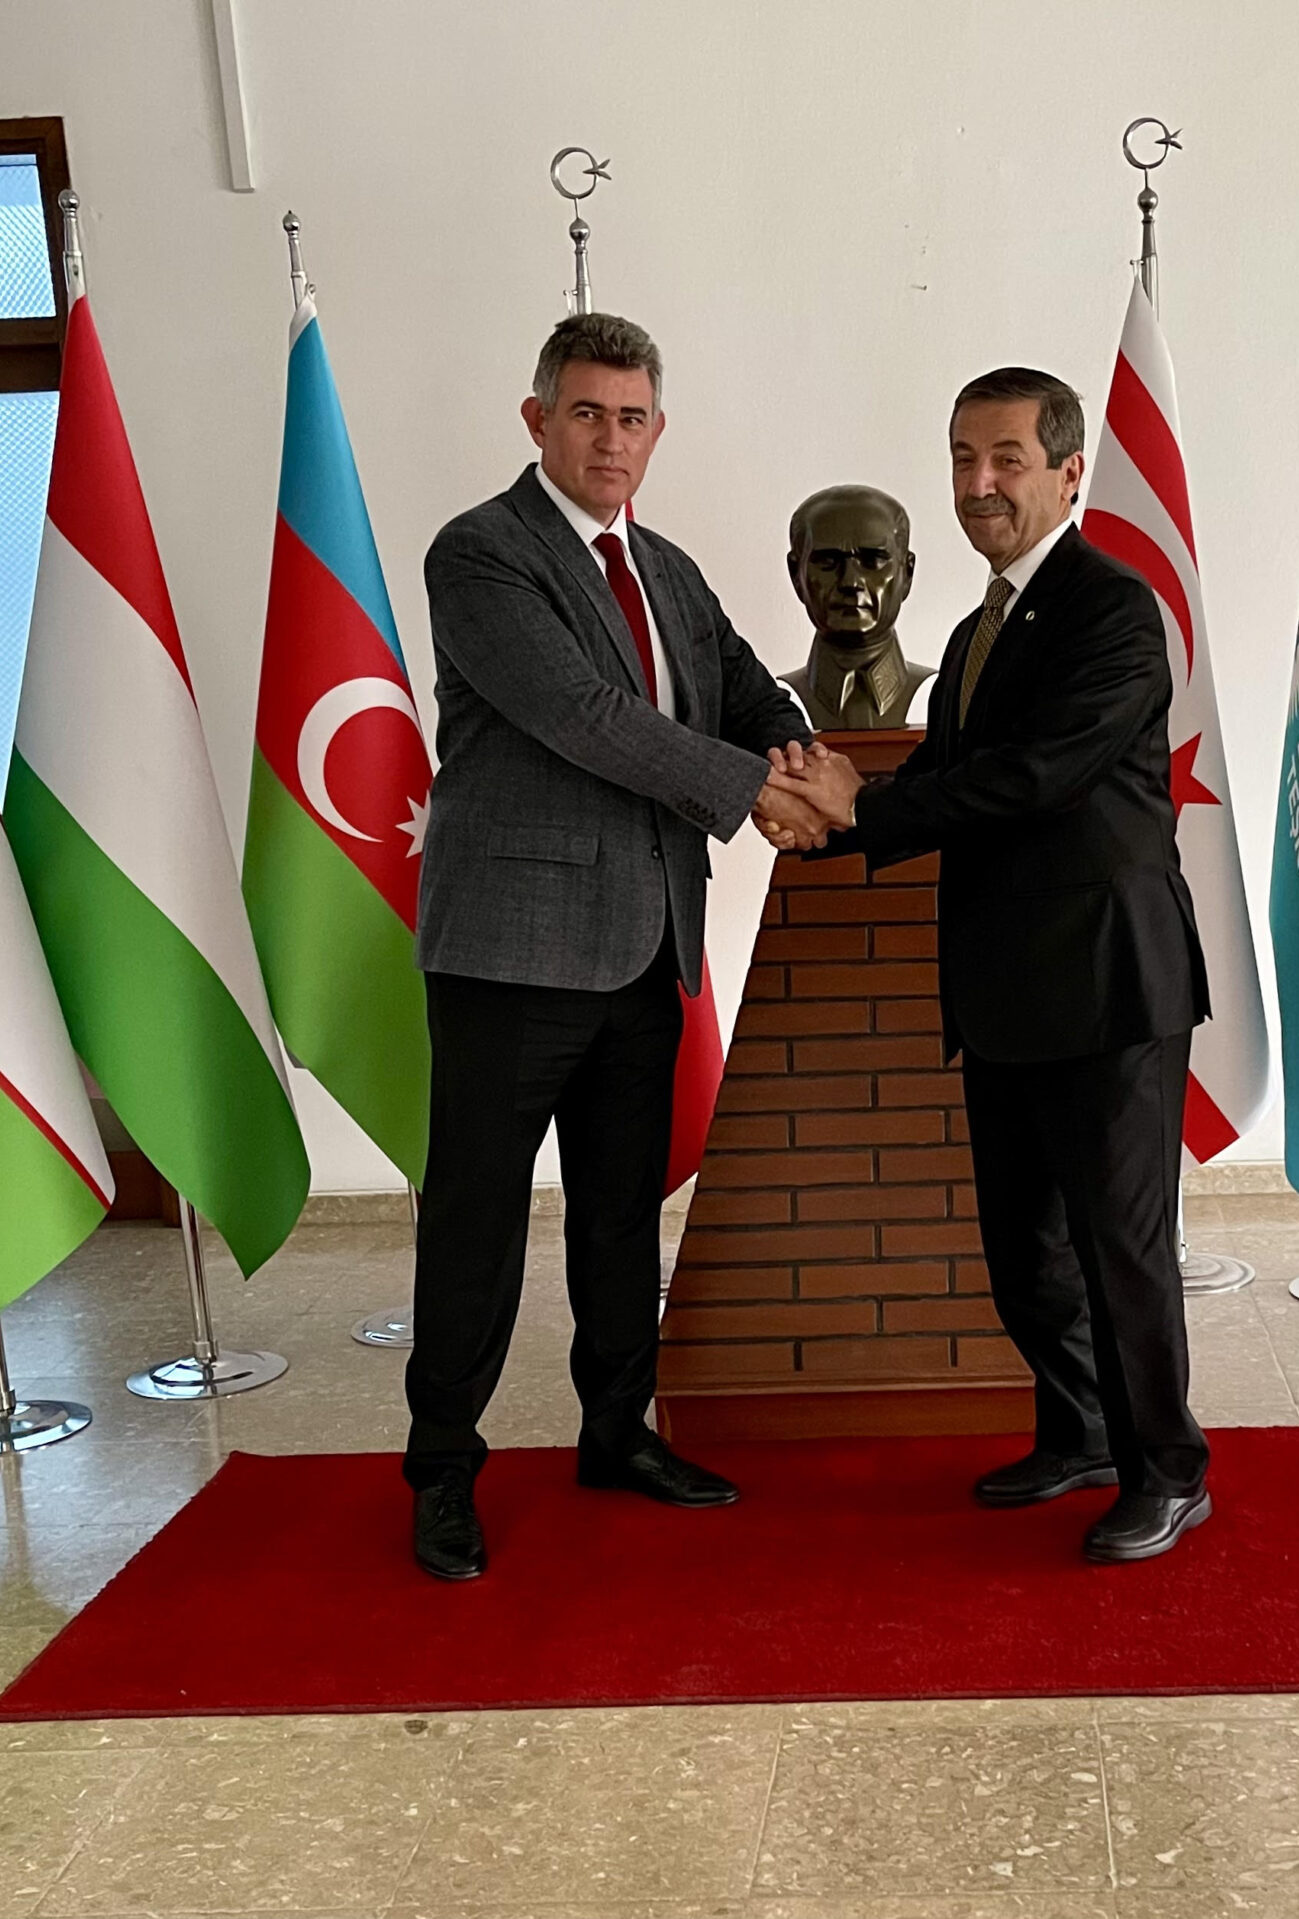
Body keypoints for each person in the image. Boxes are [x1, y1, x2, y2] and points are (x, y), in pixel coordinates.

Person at [762, 367, 1215, 1563]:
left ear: (1068, 473)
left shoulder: (1113, 609)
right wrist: (817, 815)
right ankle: (1077, 1432)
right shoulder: (975, 631)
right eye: (964, 457)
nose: (979, 483)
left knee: (1121, 1252)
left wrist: (857, 811)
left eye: (1007, 458)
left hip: (1109, 984)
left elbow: (1034, 777)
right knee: (1023, 1257)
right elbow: (935, 780)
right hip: (1005, 990)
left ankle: (1167, 1469)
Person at [406, 311, 822, 1580]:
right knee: (477, 1223)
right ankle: (441, 1468)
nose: (610, 438)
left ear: (657, 430)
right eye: (586, 412)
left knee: (618, 1216)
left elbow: (744, 687)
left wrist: (803, 754)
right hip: (508, 955)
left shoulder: (670, 571)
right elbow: (586, 716)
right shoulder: (481, 553)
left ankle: (615, 1431)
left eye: (632, 417)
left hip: (646, 949)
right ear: (538, 420)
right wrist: (757, 793)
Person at [779, 484, 933, 730]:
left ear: (907, 573)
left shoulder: (949, 699)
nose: (850, 582)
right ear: (796, 575)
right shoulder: (768, 709)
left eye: (873, 560)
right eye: (828, 561)